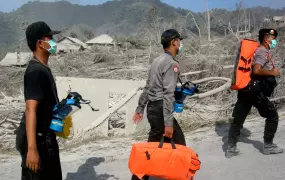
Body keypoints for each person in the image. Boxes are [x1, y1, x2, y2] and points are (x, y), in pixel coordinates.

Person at [131, 29, 186, 180]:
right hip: (162, 110)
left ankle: (169, 173)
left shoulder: (157, 61)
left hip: (153, 109)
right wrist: (168, 123)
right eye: (179, 41)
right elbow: (168, 94)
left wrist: (140, 108)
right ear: (174, 42)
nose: (180, 44)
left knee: (155, 147)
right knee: (178, 145)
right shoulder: (171, 63)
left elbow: (148, 87)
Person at [15, 21, 62, 180]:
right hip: (38, 141)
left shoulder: (43, 68)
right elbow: (31, 109)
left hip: (46, 138)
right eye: (50, 38)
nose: (54, 42)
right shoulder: (36, 72)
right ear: (40, 43)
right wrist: (32, 150)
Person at [226, 28, 283, 158]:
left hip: (246, 90)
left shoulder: (256, 50)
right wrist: (272, 72)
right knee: (272, 115)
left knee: (238, 120)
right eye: (273, 37)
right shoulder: (262, 52)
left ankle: (231, 148)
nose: (274, 40)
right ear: (266, 38)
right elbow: (257, 70)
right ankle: (268, 146)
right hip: (255, 91)